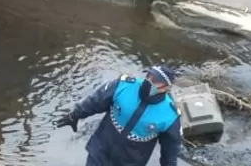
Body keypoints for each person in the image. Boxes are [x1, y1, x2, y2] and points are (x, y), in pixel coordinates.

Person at [54, 65, 182, 166]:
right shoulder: (124, 85)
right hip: (100, 151)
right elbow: (96, 100)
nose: (149, 81)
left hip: (130, 162)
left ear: (166, 88)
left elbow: (170, 152)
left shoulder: (170, 115)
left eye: (155, 81)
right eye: (149, 76)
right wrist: (75, 115)